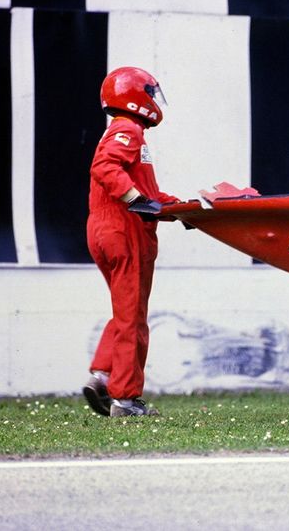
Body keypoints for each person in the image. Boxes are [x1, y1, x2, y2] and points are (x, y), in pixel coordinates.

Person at [82, 67, 179, 417]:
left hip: (107, 227)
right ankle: (124, 399)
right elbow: (106, 168)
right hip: (125, 231)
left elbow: (146, 194)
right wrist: (135, 200)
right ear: (136, 97)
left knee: (126, 311)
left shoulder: (123, 131)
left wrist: (177, 208)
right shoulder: (128, 129)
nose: (154, 101)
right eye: (150, 93)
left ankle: (103, 374)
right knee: (133, 318)